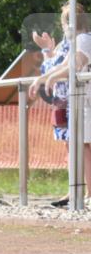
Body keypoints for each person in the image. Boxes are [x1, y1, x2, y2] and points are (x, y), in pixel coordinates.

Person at [30, 16, 91, 205]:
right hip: (66, 100)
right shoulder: (70, 42)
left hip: (80, 98)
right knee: (73, 144)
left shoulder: (83, 39)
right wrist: (47, 51)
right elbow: (55, 65)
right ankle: (76, 190)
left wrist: (49, 77)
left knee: (84, 144)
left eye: (64, 24)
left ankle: (86, 193)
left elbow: (72, 65)